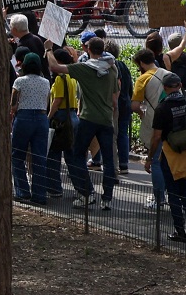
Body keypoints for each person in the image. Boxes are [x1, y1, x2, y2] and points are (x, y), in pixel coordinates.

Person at [48, 36, 119, 209]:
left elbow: (55, 67)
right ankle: (107, 198)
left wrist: (48, 49)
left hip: (88, 118)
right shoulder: (112, 69)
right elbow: (115, 98)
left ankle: (87, 193)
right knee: (108, 160)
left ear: (88, 49)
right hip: (106, 119)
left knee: (78, 155)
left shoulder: (84, 68)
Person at [145, 74, 186, 243]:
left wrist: (149, 158)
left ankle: (180, 230)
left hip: (171, 155)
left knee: (172, 193)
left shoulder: (163, 108)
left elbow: (156, 137)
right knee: (184, 190)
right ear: (180, 85)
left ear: (165, 88)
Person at [11, 51, 52, 205]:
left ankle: (22, 191)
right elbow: (46, 101)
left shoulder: (19, 81)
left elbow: (13, 104)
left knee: (17, 155)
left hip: (24, 118)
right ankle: (39, 194)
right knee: (40, 158)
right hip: (42, 118)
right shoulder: (46, 82)